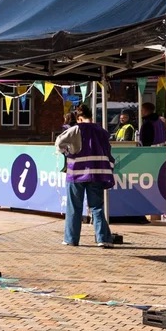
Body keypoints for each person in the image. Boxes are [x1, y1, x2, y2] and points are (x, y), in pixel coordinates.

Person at [60, 103, 115, 247]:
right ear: (90, 116)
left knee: (74, 207)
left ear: (78, 118)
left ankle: (71, 239)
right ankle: (102, 239)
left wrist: (68, 150)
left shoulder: (76, 129)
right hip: (97, 173)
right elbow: (108, 151)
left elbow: (59, 142)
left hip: (76, 173)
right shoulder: (102, 131)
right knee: (96, 207)